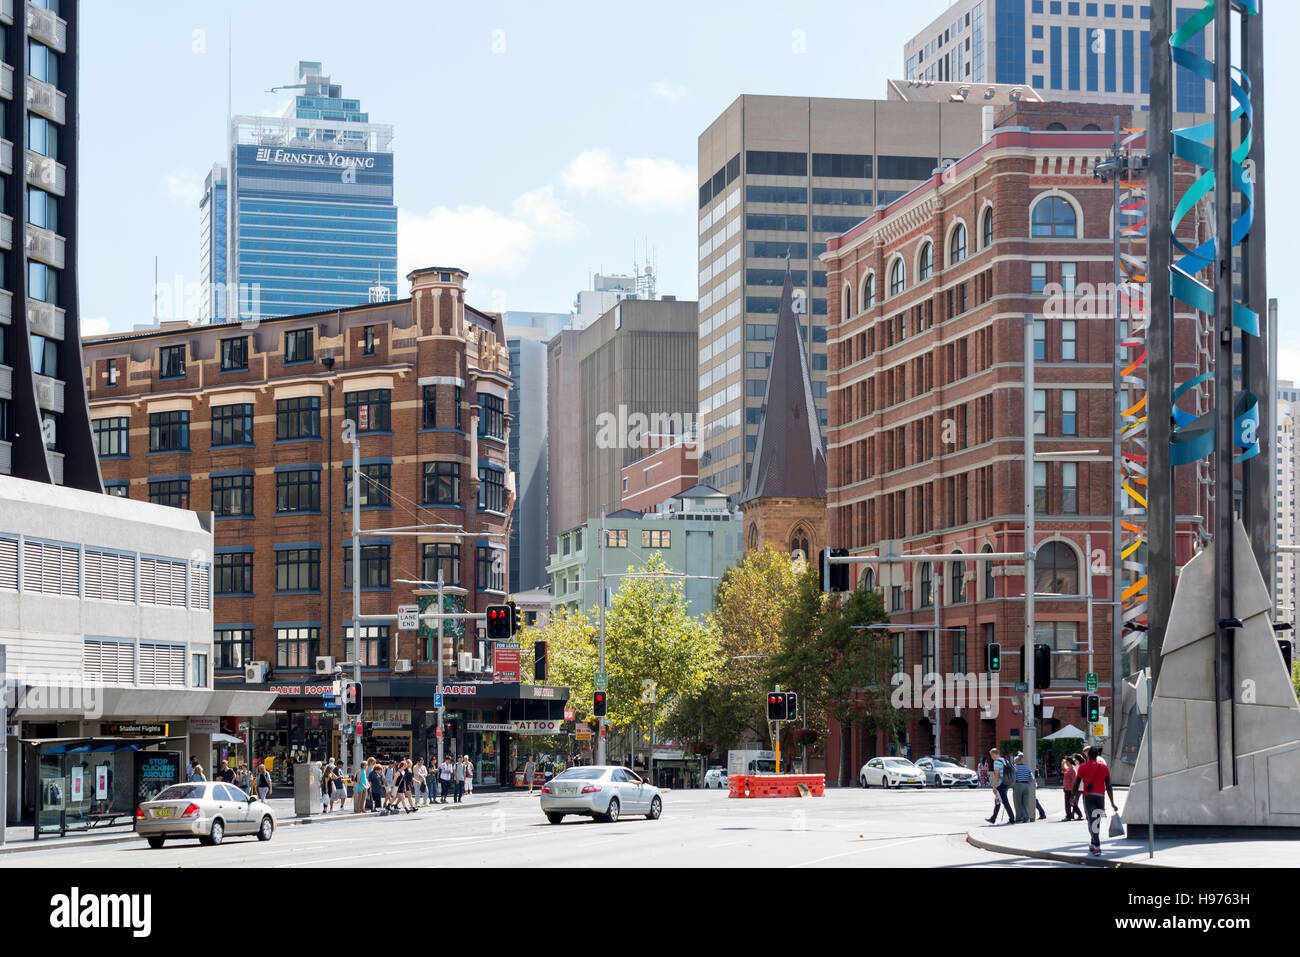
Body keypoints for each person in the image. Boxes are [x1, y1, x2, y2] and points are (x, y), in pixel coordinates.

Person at [1071, 745, 1119, 856]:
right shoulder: (1104, 768)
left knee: (1091, 821)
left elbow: (1076, 783)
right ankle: (1093, 843)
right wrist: (1112, 803)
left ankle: (1097, 845)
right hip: (1100, 798)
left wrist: (1072, 797)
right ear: (1097, 755)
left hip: (1089, 797)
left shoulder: (1083, 767)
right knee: (1097, 821)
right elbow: (1109, 786)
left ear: (1088, 755)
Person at [986, 747, 1016, 824]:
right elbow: (1015, 769)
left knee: (1005, 802)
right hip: (1006, 783)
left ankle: (1012, 819)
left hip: (1000, 784)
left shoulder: (996, 762)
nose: (991, 757)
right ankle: (993, 818)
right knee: (997, 801)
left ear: (995, 754)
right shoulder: (1005, 760)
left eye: (992, 755)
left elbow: (996, 775)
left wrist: (994, 786)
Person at [1012, 752, 1036, 823]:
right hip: (1026, 785)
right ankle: (1026, 817)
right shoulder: (1027, 768)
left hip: (1018, 785)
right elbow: (1032, 778)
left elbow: (1013, 778)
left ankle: (1019, 818)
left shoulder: (1015, 768)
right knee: (1025, 803)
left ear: (1016, 762)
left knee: (1018, 803)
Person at [1060, 756, 1081, 821]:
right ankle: (1079, 814)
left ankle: (1068, 816)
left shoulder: (1072, 769)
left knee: (1068, 803)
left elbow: (1074, 781)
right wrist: (1062, 763)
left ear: (1069, 762)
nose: (1066, 762)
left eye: (1066, 761)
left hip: (1070, 789)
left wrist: (1073, 791)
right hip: (1066, 788)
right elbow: (1063, 769)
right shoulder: (1069, 769)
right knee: (1071, 803)